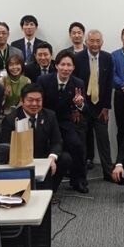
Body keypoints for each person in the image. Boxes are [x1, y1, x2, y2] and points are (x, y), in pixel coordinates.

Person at [36, 50, 90, 193]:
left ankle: (78, 180)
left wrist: (80, 104)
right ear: (56, 65)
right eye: (63, 64)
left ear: (73, 67)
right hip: (46, 121)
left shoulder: (78, 83)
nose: (66, 68)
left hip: (65, 122)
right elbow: (38, 103)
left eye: (69, 65)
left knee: (77, 145)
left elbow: (85, 109)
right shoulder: (43, 80)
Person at [0, 85, 65, 186]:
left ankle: (51, 189)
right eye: (30, 100)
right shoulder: (11, 119)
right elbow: (5, 145)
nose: (34, 104)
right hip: (20, 159)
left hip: (44, 157)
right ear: (22, 100)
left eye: (38, 100)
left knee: (65, 159)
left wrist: (51, 158)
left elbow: (57, 141)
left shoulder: (50, 115)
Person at [74, 30, 113, 174]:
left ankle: (108, 173)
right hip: (83, 106)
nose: (95, 44)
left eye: (98, 41)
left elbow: (109, 84)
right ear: (86, 42)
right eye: (92, 41)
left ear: (102, 42)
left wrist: (106, 107)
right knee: (81, 142)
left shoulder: (107, 58)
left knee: (104, 141)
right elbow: (74, 84)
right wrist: (76, 108)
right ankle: (80, 174)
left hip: (101, 107)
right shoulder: (78, 58)